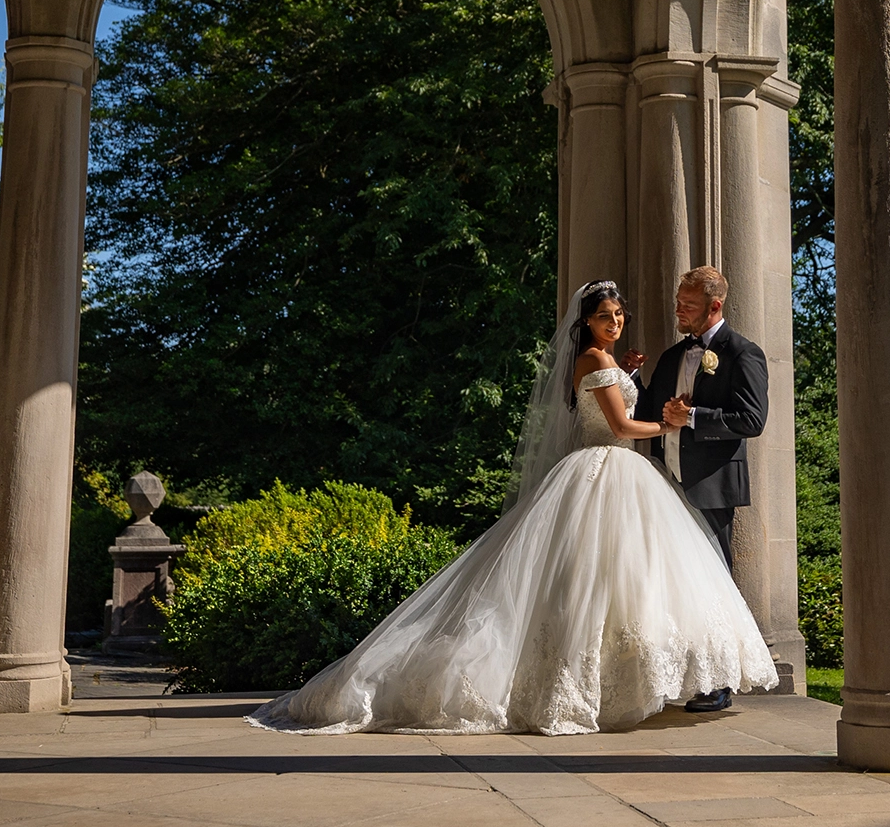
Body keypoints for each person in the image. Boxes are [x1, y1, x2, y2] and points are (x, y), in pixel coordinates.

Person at [249, 280, 777, 734]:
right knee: (592, 581)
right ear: (586, 322)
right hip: (606, 468)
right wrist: (669, 425)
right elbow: (618, 426)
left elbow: (670, 407)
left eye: (619, 315)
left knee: (633, 580)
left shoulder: (621, 359)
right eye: (604, 316)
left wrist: (631, 375)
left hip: (635, 475)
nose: (615, 322)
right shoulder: (594, 358)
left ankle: (656, 679)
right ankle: (584, 680)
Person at [633, 265, 768, 712]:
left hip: (710, 486)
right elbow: (651, 408)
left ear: (715, 306)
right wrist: (629, 379)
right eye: (678, 302)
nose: (678, 311)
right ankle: (684, 674)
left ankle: (720, 683)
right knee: (673, 585)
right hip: (665, 483)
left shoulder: (742, 354)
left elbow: (752, 421)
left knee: (715, 584)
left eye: (687, 306)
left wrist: (692, 418)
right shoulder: (674, 355)